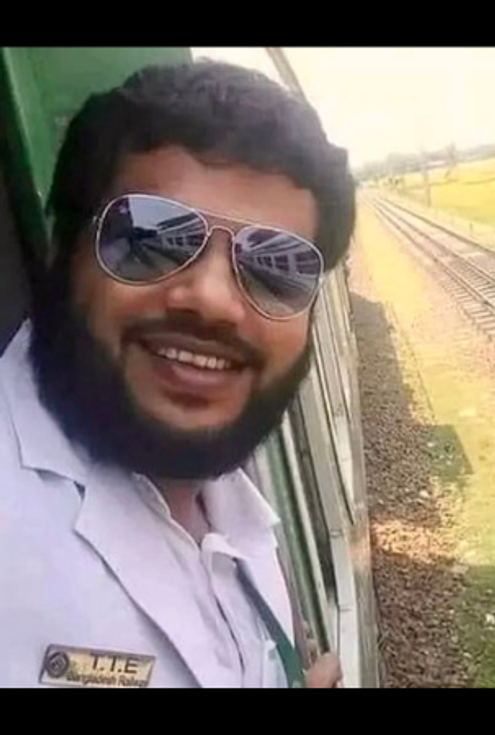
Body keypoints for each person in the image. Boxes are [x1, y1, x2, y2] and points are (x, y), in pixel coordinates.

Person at [0, 60, 355, 686]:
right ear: (63, 250)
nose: (214, 301)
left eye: (277, 267)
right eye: (151, 238)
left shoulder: (239, 510)